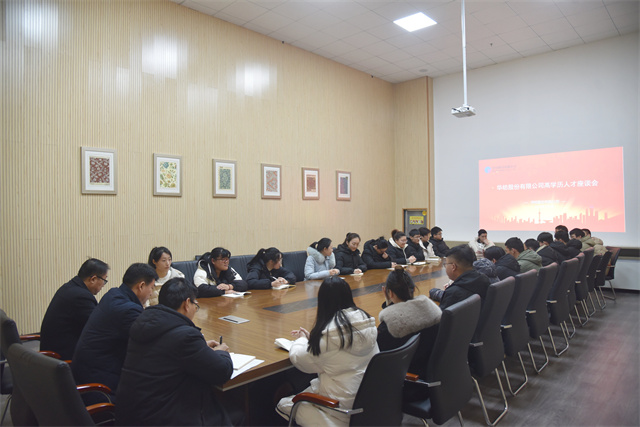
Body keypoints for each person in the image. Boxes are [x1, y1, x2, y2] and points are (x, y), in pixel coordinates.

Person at [116, 278, 233, 426]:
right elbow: (222, 372)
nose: (195, 309)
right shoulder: (185, 336)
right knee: (235, 414)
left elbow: (166, 351)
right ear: (186, 303)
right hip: (162, 417)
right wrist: (221, 352)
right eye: (195, 305)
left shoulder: (144, 322)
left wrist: (200, 347)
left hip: (131, 415)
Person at [276, 276, 378, 426]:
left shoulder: (329, 339)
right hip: (371, 404)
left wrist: (302, 340)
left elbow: (300, 360)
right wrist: (316, 341)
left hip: (340, 409)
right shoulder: (366, 324)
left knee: (283, 404)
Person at [72, 263, 158, 398]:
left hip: (83, 374)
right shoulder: (128, 310)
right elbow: (149, 343)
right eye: (151, 287)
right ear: (141, 286)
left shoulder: (114, 294)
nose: (151, 293)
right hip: (100, 386)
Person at [377, 266, 441, 379]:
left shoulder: (388, 327)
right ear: (414, 289)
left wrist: (389, 306)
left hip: (409, 379)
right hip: (433, 372)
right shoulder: (432, 311)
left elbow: (380, 357)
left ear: (389, 293)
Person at [40, 258, 110, 360]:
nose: (103, 285)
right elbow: (98, 327)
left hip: (51, 350)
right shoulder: (81, 297)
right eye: (104, 280)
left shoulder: (69, 287)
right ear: (93, 279)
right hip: (61, 356)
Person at [436, 245, 490, 310]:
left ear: (453, 267)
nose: (446, 267)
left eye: (446, 264)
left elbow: (442, 315)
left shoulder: (453, 293)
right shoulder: (484, 279)